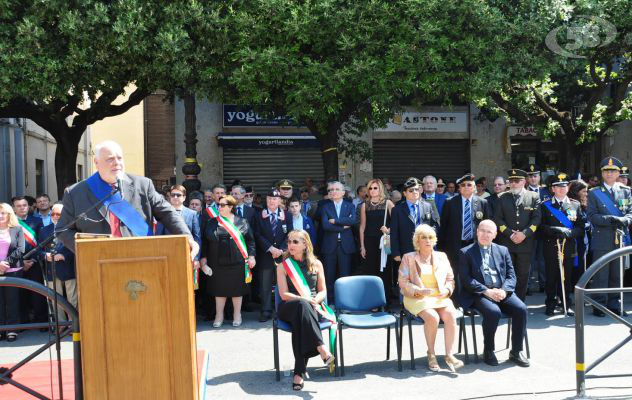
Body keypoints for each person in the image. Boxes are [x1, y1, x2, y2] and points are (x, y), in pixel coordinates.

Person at [56, 141, 197, 257]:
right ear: (96, 162)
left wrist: (188, 238)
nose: (116, 163)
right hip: (98, 263)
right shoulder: (75, 193)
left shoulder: (142, 185)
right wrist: (87, 252)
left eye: (119, 158)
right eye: (110, 159)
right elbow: (62, 230)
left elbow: (168, 213)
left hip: (141, 258)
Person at [458, 220, 529, 367]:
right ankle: (488, 350)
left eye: (489, 232)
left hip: (501, 290)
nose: (485, 234)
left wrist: (504, 290)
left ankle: (516, 351)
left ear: (495, 235)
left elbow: (511, 275)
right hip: (479, 293)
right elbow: (466, 280)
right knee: (493, 312)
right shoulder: (466, 252)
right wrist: (486, 291)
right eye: (482, 230)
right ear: (477, 232)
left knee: (521, 309)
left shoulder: (502, 250)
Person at [398, 224, 463, 372]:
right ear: (417, 241)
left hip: (438, 296)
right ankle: (431, 353)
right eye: (424, 238)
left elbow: (450, 279)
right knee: (432, 317)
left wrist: (447, 290)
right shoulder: (408, 258)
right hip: (416, 297)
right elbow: (403, 282)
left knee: (451, 314)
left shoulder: (442, 256)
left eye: (430, 237)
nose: (428, 240)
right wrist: (418, 290)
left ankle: (449, 355)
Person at [277, 230, 334, 391]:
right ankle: (321, 347)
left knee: (301, 323)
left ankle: (299, 374)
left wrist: (316, 300)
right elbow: (283, 294)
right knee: (302, 307)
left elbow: (323, 290)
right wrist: (305, 299)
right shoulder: (283, 266)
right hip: (289, 306)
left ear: (305, 245)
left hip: (312, 307)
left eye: (295, 242)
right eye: (289, 242)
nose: (290, 245)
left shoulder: (317, 264)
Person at [587, 156, 632, 317]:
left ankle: (615, 303)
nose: (609, 174)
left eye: (613, 171)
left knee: (617, 273)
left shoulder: (626, 191)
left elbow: (630, 213)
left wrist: (625, 220)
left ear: (618, 173)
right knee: (601, 274)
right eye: (606, 171)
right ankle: (599, 305)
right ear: (602, 173)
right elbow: (592, 215)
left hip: (620, 237)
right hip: (602, 238)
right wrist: (611, 219)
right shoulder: (594, 193)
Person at [201, 195, 256, 327]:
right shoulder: (212, 222)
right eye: (218, 205)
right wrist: (203, 260)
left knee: (237, 289)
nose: (219, 207)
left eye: (222, 205)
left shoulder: (241, 221)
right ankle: (219, 315)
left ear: (231, 207)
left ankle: (237, 314)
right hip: (216, 262)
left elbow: (250, 240)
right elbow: (205, 243)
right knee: (219, 289)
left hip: (237, 261)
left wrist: (252, 256)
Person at [539, 174, 585, 316]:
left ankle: (566, 303)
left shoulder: (575, 204)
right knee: (551, 276)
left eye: (564, 186)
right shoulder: (545, 205)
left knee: (567, 277)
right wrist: (554, 230)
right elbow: (540, 227)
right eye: (558, 186)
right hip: (551, 245)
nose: (561, 189)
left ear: (567, 188)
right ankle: (550, 303)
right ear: (553, 189)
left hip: (568, 245)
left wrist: (570, 233)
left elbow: (580, 227)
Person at [493, 169, 542, 301]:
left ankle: (520, 302)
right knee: (507, 273)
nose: (513, 184)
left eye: (517, 181)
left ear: (524, 182)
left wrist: (524, 234)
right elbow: (498, 219)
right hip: (507, 242)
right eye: (511, 181)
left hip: (525, 243)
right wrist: (510, 234)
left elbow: (536, 219)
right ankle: (507, 300)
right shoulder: (502, 197)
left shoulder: (533, 197)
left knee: (523, 274)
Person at [439, 173, 492, 286]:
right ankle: (456, 301)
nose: (466, 187)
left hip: (475, 245)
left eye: (469, 185)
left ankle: (473, 300)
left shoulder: (483, 203)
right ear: (459, 188)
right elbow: (443, 226)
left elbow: (487, 226)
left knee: (475, 274)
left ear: (474, 187)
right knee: (454, 274)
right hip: (454, 245)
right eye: (463, 185)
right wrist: (441, 248)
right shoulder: (450, 202)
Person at [254, 189, 294, 321]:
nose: (272, 201)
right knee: (265, 285)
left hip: (282, 255)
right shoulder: (259, 215)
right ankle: (265, 311)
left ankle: (282, 310)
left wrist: (281, 249)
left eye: (275, 199)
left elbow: (290, 233)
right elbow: (257, 234)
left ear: (279, 201)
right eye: (270, 198)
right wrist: (270, 248)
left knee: (283, 284)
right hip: (266, 254)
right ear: (267, 200)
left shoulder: (287, 215)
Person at [39, 203, 77, 322]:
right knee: (56, 300)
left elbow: (77, 247)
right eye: (52, 214)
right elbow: (38, 250)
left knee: (72, 299)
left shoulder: (72, 229)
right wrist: (45, 255)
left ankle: (74, 325)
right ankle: (61, 325)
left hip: (68, 268)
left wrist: (64, 255)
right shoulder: (44, 230)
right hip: (52, 270)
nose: (55, 216)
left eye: (58, 214)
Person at [320, 181, 356, 304]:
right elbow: (325, 226)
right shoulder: (325, 207)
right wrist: (342, 227)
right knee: (329, 275)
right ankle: (330, 302)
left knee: (345, 275)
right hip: (330, 245)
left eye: (336, 189)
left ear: (343, 192)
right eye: (331, 190)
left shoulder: (350, 205)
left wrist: (335, 221)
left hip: (345, 245)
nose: (333, 192)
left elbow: (352, 221)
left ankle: (345, 302)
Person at [12, 196, 46, 326]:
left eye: (24, 205)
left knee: (38, 293)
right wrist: (21, 262)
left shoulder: (37, 221)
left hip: (34, 261)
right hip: (16, 263)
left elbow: (41, 243)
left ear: (29, 206)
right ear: (14, 208)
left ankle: (42, 321)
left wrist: (32, 259)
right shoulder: (10, 223)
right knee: (19, 294)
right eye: (19, 206)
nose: (22, 208)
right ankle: (23, 321)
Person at [391, 178, 440, 264]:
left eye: (417, 189)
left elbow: (434, 226)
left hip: (424, 249)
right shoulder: (397, 210)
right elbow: (394, 232)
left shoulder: (427, 206)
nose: (415, 192)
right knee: (407, 276)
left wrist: (431, 243)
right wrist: (396, 252)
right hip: (405, 250)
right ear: (405, 193)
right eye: (411, 190)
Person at [359, 179, 395, 292]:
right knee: (371, 269)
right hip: (370, 241)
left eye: (375, 188)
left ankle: (386, 299)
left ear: (380, 189)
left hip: (385, 240)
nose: (373, 190)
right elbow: (362, 227)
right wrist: (362, 246)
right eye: (370, 188)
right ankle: (374, 299)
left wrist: (388, 230)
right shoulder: (365, 205)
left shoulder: (388, 203)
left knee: (385, 268)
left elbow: (397, 222)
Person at [0, 203, 25, 341]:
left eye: (3, 213)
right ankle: (1, 329)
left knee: (12, 301)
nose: (0, 216)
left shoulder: (17, 229)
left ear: (9, 214)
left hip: (13, 270)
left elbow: (20, 249)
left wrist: (6, 263)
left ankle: (12, 330)